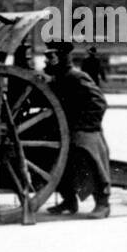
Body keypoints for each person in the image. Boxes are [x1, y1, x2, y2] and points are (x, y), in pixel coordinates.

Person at [46, 41, 111, 218]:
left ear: (61, 58)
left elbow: (99, 102)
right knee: (54, 157)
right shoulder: (58, 78)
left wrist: (84, 126)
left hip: (86, 129)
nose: (47, 60)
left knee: (88, 154)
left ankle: (103, 203)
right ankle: (69, 200)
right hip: (67, 130)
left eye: (51, 57)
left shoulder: (76, 76)